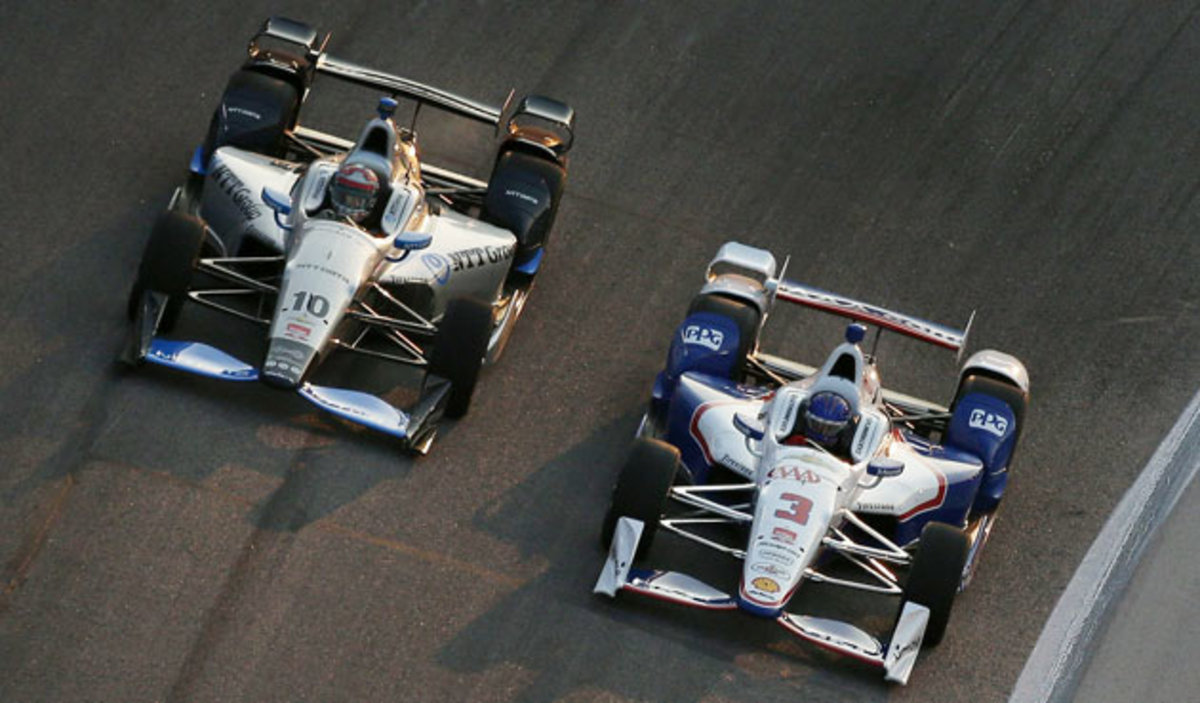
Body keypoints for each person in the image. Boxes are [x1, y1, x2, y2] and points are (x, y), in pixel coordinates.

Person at [787, 390, 856, 455]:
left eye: (829, 428)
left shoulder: (848, 445)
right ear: (806, 418)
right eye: (816, 425)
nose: (822, 431)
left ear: (843, 428)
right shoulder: (793, 432)